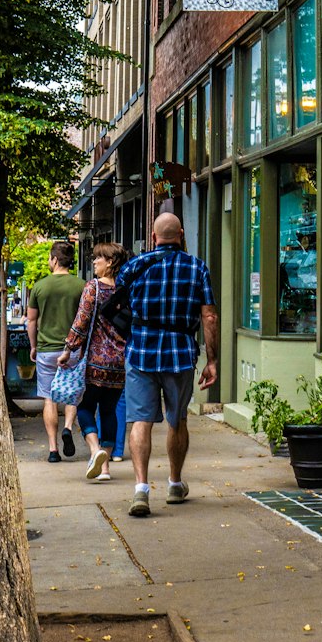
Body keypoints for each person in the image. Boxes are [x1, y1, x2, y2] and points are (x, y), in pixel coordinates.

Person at [114, 211, 218, 517]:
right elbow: (209, 315)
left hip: (141, 352)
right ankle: (174, 483)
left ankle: (141, 490)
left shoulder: (134, 267)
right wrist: (212, 360)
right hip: (180, 353)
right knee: (177, 418)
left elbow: (119, 306)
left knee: (140, 421)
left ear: (154, 238)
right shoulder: (197, 267)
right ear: (181, 235)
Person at [57, 241, 128, 481]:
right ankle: (104, 469)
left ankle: (95, 450)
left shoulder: (93, 288)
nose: (94, 262)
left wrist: (68, 350)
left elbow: (81, 321)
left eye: (99, 258)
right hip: (120, 364)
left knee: (84, 407)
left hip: (95, 363)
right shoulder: (126, 289)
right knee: (109, 411)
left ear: (110, 262)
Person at [28, 240, 84, 463]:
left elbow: (31, 320)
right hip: (73, 349)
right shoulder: (82, 286)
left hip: (46, 350)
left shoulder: (40, 287)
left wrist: (33, 346)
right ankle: (68, 427)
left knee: (49, 399)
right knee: (72, 394)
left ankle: (53, 450)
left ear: (54, 259)